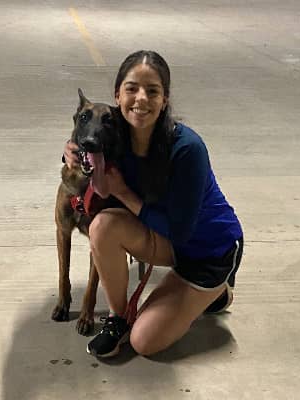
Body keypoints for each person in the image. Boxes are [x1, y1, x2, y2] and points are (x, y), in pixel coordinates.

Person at [62, 50, 243, 358]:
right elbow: (85, 138)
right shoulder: (115, 134)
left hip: (208, 251)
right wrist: (70, 153)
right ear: (118, 95)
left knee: (145, 342)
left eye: (153, 91)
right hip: (166, 241)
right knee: (102, 226)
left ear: (165, 99)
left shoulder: (187, 148)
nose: (141, 99)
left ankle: (218, 292)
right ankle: (118, 318)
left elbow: (181, 233)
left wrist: (123, 193)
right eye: (132, 88)